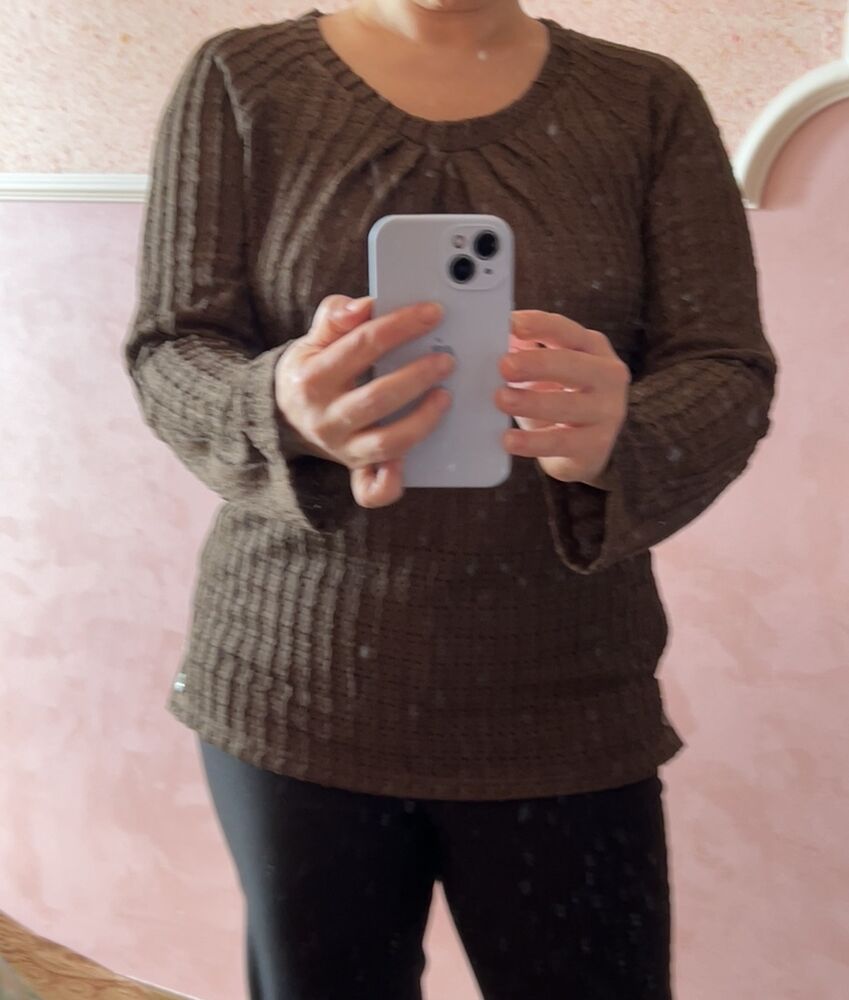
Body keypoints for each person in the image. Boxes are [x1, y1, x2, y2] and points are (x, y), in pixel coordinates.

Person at [124, 1, 777, 997]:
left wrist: (627, 428)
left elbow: (726, 365)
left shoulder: (647, 102)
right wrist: (280, 402)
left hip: (567, 700)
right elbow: (171, 346)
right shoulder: (239, 82)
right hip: (296, 694)